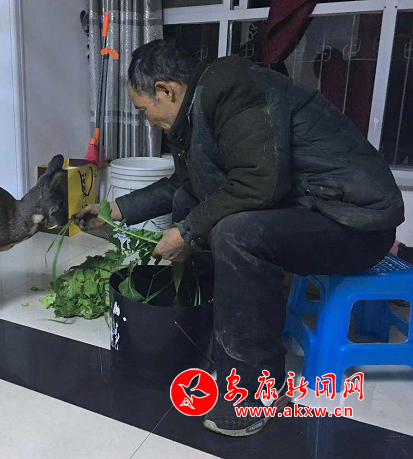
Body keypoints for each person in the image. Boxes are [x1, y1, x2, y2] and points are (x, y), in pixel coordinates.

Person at [74, 40, 404, 437]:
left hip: (355, 221)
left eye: (144, 110)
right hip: (315, 209)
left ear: (166, 90)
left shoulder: (232, 89)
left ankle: (256, 390)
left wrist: (187, 233)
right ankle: (214, 326)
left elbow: (258, 182)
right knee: (188, 203)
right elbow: (187, 185)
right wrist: (114, 209)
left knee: (236, 234)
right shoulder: (197, 110)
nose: (147, 121)